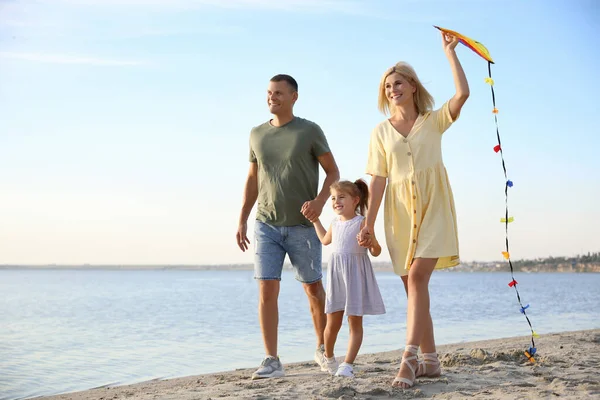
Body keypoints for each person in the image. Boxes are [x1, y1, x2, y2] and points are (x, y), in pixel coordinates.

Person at [357, 31, 470, 388]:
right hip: (399, 213)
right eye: (388, 86)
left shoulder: (434, 120)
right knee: (413, 290)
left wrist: (450, 54)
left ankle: (407, 361)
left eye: (399, 83)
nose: (393, 89)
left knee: (419, 278)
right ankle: (431, 361)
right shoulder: (380, 132)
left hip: (435, 206)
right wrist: (369, 223)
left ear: (413, 86)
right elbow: (377, 180)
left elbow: (462, 94)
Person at [236, 74, 340, 380]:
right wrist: (242, 217)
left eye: (279, 93)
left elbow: (333, 172)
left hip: (302, 226)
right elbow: (253, 180)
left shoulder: (309, 131)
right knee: (267, 289)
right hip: (266, 225)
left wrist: (320, 202)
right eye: (269, 93)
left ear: (294, 97)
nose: (272, 97)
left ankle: (323, 349)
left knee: (313, 289)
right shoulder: (256, 134)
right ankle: (271, 359)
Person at [311, 179, 386, 378]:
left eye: (341, 197)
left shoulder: (362, 222)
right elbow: (324, 240)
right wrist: (315, 220)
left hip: (355, 277)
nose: (336, 201)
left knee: (355, 323)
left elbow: (376, 251)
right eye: (333, 198)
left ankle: (348, 364)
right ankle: (328, 358)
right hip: (337, 276)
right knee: (332, 322)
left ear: (355, 200)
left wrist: (371, 242)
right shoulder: (334, 223)